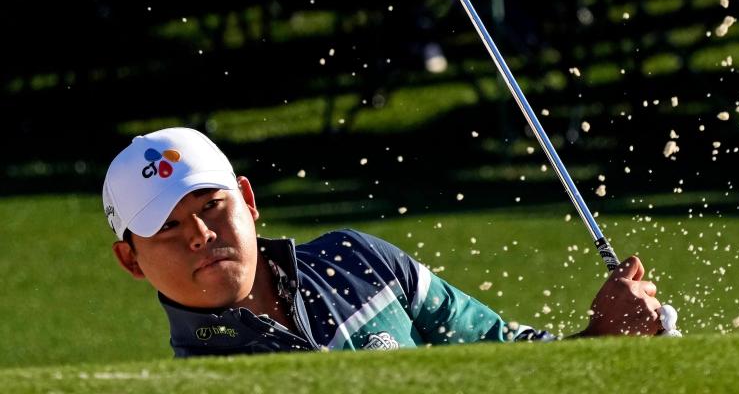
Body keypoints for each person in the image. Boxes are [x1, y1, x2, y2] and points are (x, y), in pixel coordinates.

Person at [104, 127, 669, 356]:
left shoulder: (354, 259)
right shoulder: (201, 379)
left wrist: (601, 337)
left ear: (248, 202)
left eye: (211, 206)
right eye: (168, 226)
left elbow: (507, 354)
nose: (201, 235)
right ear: (131, 259)